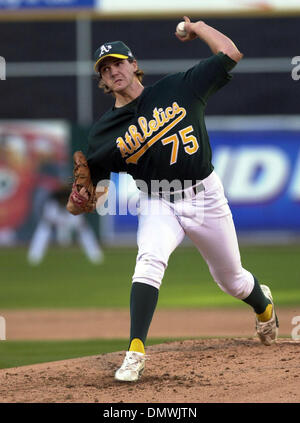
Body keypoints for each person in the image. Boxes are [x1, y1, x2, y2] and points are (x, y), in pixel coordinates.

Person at [85, 16, 279, 382]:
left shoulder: (179, 87)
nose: (113, 70)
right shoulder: (102, 134)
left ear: (134, 65)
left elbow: (230, 53)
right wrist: (83, 197)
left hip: (204, 195)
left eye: (119, 62)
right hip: (158, 202)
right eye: (105, 68)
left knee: (232, 281)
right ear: (102, 80)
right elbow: (96, 190)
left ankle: (263, 306)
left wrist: (199, 27)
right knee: (149, 260)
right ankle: (135, 351)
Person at [28, 186, 104, 265]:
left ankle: (95, 255)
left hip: (70, 218)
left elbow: (81, 224)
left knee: (84, 230)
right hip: (56, 219)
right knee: (43, 228)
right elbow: (47, 221)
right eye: (61, 198)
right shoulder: (52, 205)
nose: (63, 200)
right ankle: (35, 255)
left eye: (65, 198)